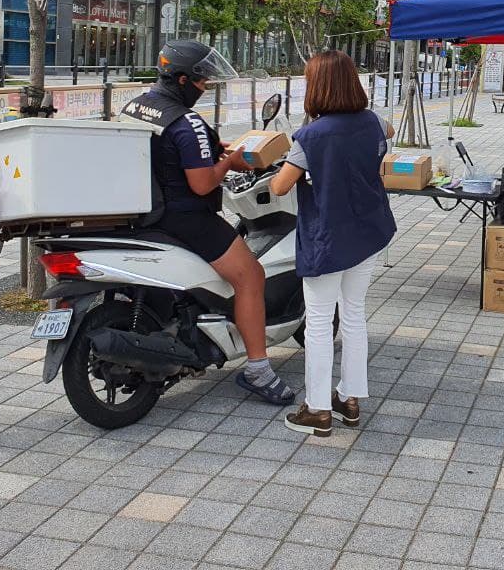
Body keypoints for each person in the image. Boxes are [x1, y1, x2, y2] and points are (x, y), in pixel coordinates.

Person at [120, 41, 295, 405]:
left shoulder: (136, 105)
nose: (204, 88)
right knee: (251, 276)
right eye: (201, 82)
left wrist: (214, 148)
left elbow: (166, 152)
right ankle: (259, 369)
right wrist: (230, 164)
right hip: (185, 217)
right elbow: (201, 182)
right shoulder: (188, 122)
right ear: (182, 79)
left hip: (143, 212)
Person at [270, 50, 396, 436]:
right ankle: (350, 399)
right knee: (354, 314)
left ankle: (318, 409)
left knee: (320, 323)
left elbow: (279, 186)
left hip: (328, 237)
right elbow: (387, 132)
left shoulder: (310, 137)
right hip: (368, 232)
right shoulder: (372, 122)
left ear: (317, 88)